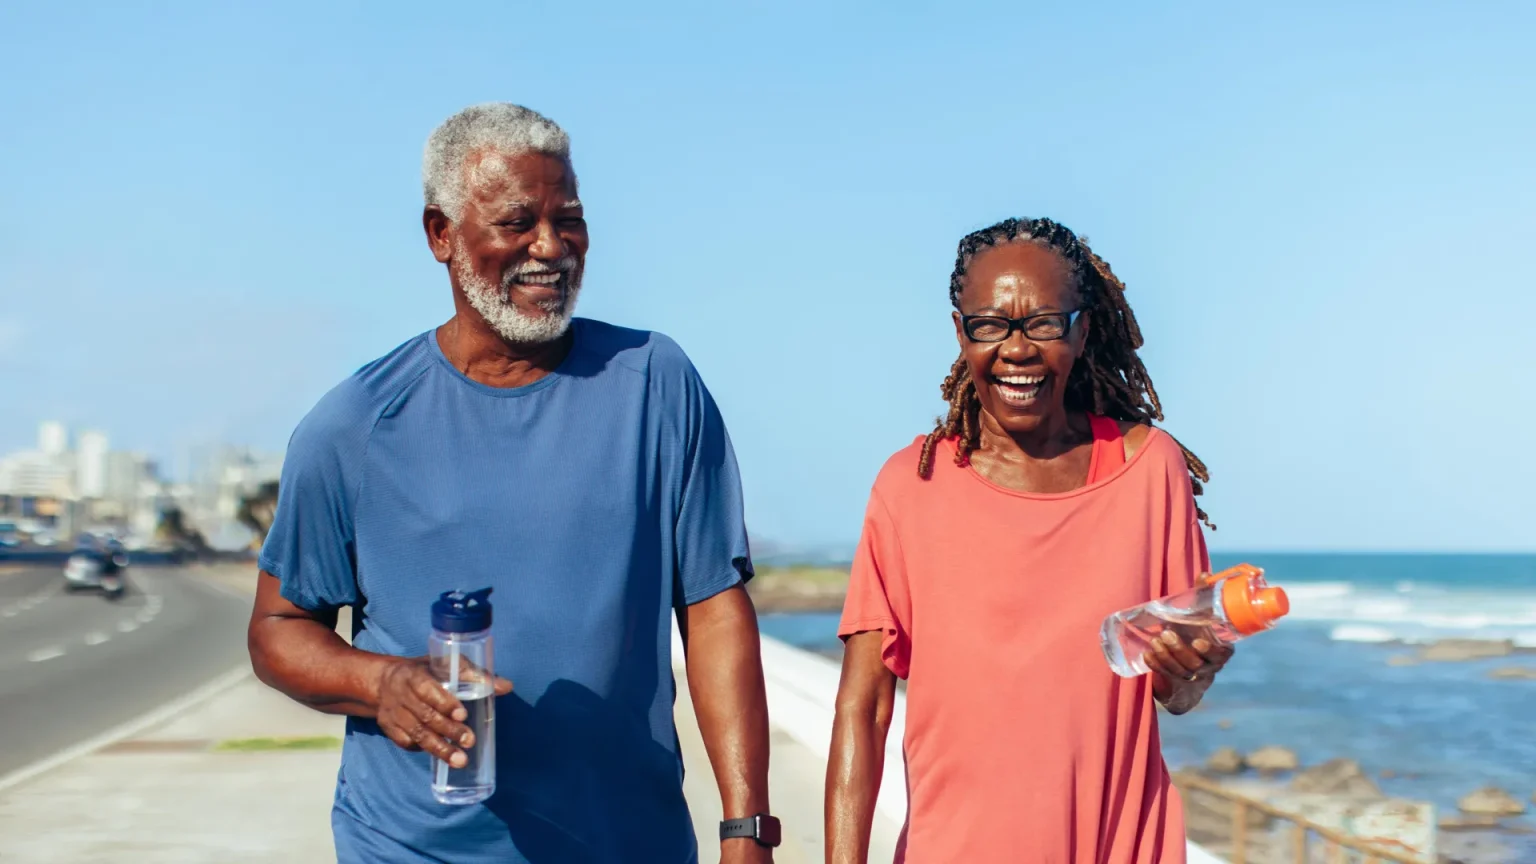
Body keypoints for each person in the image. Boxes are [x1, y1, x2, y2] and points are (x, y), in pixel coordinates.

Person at [248, 103, 779, 864]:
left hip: (628, 843)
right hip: (412, 847)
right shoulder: (355, 425)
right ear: (441, 234)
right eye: (516, 223)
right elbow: (277, 630)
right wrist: (382, 683)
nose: (550, 248)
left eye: (569, 220)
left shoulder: (655, 384)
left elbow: (714, 607)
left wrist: (746, 825)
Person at [825, 218, 1233, 863]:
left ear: (1083, 331)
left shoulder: (1150, 470)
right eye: (991, 324)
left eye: (1044, 322)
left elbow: (1174, 691)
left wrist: (1193, 670)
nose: (1017, 349)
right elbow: (864, 705)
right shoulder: (912, 486)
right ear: (962, 333)